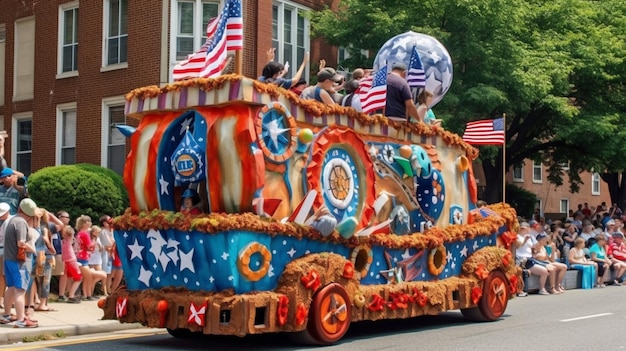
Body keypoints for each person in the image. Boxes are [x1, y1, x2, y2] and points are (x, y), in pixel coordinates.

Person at [0, 198, 39, 328]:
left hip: (9, 259)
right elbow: (21, 243)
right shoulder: (21, 222)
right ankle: (21, 319)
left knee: (10, 288)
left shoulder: (12, 220)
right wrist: (33, 250)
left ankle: (6, 314)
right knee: (20, 290)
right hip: (19, 262)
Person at [75, 215, 106, 300]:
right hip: (83, 257)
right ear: (84, 223)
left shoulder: (80, 233)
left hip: (81, 257)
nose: (89, 223)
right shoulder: (85, 234)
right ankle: (88, 295)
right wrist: (94, 240)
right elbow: (90, 246)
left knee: (87, 277)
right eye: (88, 221)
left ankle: (87, 295)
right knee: (88, 277)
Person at [515, 222, 550, 295]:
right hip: (522, 259)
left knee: (546, 269)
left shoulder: (529, 236)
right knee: (544, 271)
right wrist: (525, 240)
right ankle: (542, 289)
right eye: (527, 228)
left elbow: (531, 248)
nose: (529, 230)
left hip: (530, 258)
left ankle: (542, 288)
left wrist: (535, 248)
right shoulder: (517, 236)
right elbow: (518, 246)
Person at [61, 226, 82, 303]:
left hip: (66, 261)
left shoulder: (62, 242)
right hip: (71, 261)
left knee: (70, 277)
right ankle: (71, 295)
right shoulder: (69, 241)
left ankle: (69, 292)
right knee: (78, 278)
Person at [53, 211, 70, 301]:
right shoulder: (55, 226)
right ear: (59, 217)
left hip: (60, 253)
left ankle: (62, 294)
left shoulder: (65, 228)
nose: (68, 219)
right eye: (66, 217)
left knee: (64, 273)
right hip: (53, 253)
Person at [99, 215, 114, 296]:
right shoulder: (103, 231)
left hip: (111, 253)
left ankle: (108, 289)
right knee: (104, 272)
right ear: (104, 223)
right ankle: (104, 289)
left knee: (110, 273)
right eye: (109, 220)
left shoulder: (111, 231)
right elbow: (109, 243)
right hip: (105, 253)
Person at [0, 202, 12, 308]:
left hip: (6, 251)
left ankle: (3, 298)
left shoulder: (9, 221)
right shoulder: (5, 222)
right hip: (5, 251)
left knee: (4, 276)